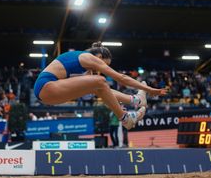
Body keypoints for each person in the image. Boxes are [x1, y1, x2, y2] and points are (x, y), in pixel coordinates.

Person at [34, 42, 166, 129]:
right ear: (98, 56)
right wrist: (149, 89)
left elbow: (102, 91)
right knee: (100, 81)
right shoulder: (87, 57)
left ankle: (135, 100)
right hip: (46, 87)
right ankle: (126, 118)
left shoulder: (85, 68)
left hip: (49, 95)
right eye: (104, 64)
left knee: (100, 87)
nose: (103, 68)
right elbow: (121, 78)